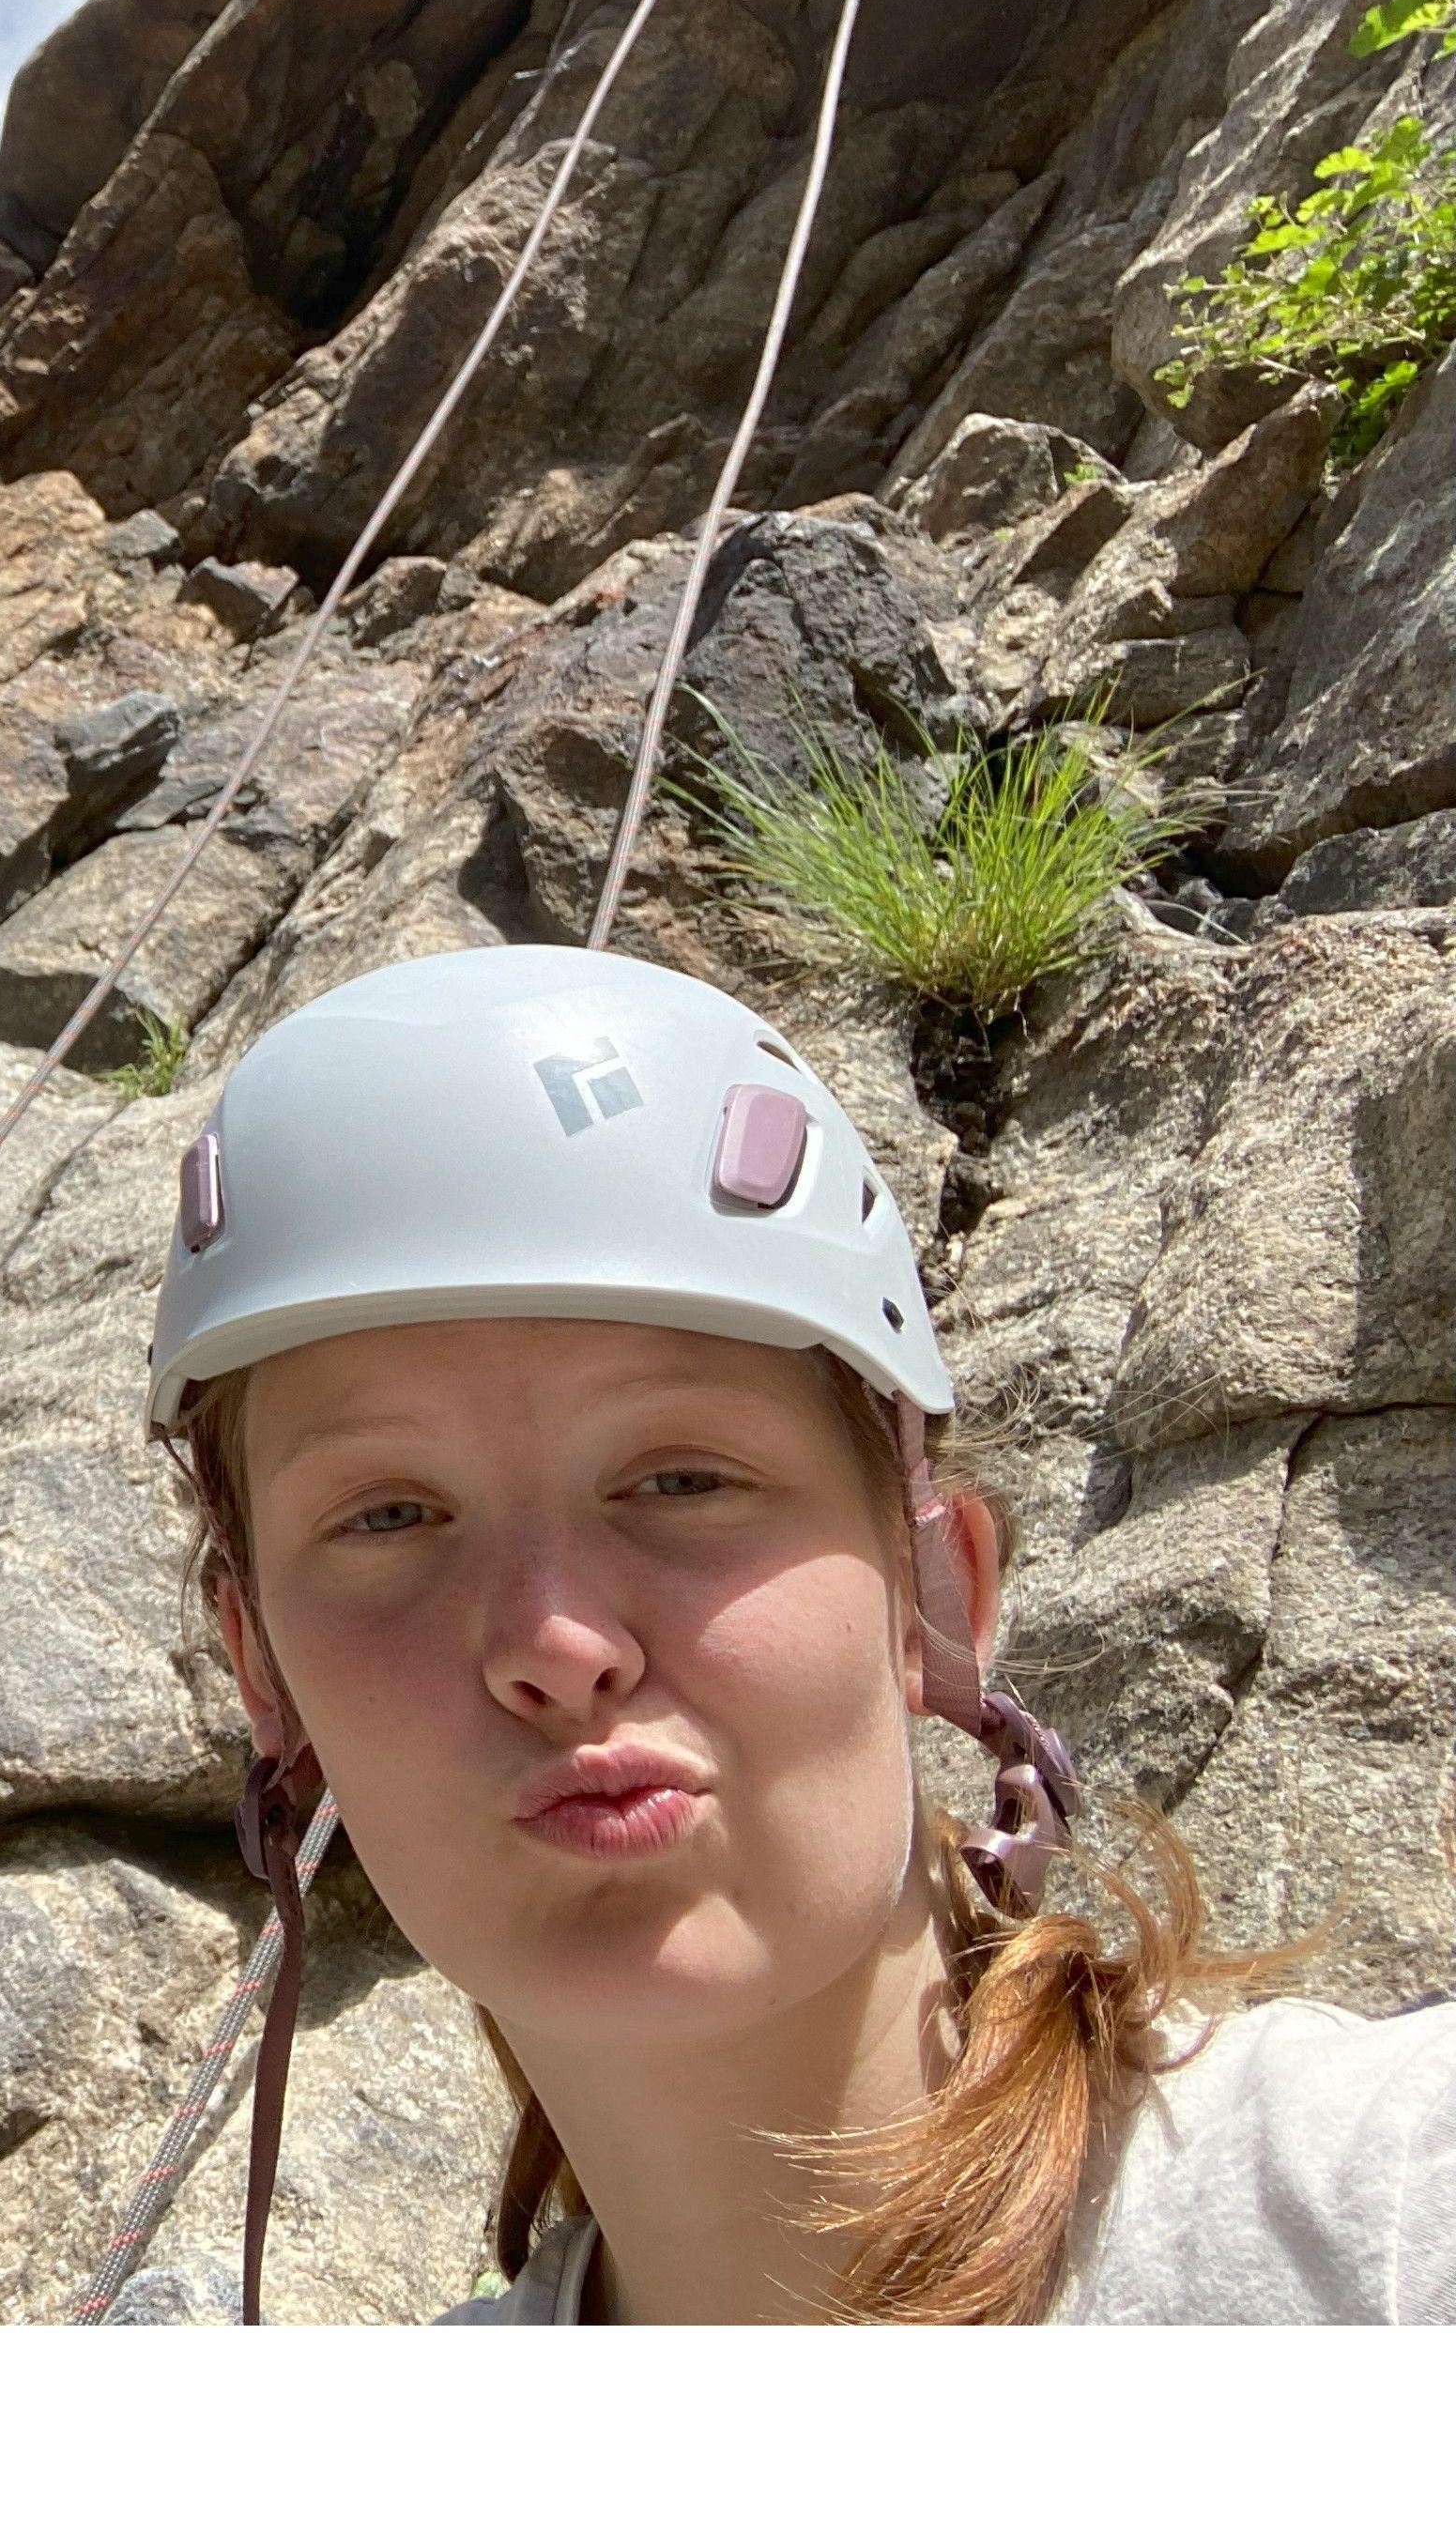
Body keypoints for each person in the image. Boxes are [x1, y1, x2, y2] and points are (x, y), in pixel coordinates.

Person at [143, 942, 1454, 2326]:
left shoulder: (1385, 2204)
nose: (557, 1640)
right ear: (259, 1666)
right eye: (393, 1515)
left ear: (934, 1592)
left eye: (682, 1481)